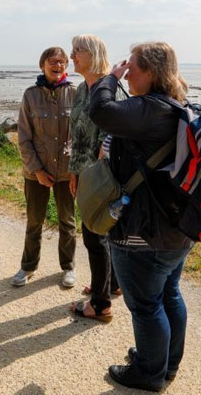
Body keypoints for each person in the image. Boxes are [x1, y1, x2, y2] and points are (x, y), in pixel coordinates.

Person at [89, 41, 193, 392]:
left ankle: (149, 373)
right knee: (168, 294)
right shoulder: (176, 105)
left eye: (131, 66)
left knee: (147, 305)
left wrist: (109, 78)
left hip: (143, 233)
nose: (127, 72)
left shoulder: (147, 108)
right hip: (175, 228)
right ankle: (165, 365)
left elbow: (100, 111)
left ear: (150, 72)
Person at [67, 34, 125, 322]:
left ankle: (101, 304)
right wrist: (74, 172)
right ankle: (110, 284)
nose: (71, 56)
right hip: (85, 173)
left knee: (95, 235)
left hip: (104, 178)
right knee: (99, 233)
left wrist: (92, 178)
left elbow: (113, 138)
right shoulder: (81, 89)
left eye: (78, 50)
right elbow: (76, 135)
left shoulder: (110, 89)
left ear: (94, 54)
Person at [12, 46, 77, 288]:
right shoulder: (30, 95)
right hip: (35, 172)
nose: (57, 65)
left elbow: (81, 136)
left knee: (68, 222)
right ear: (43, 65)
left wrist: (76, 170)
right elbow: (23, 137)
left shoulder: (75, 93)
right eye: (52, 61)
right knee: (34, 221)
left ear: (66, 65)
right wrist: (37, 171)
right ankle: (28, 266)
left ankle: (68, 267)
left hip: (66, 172)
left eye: (62, 62)